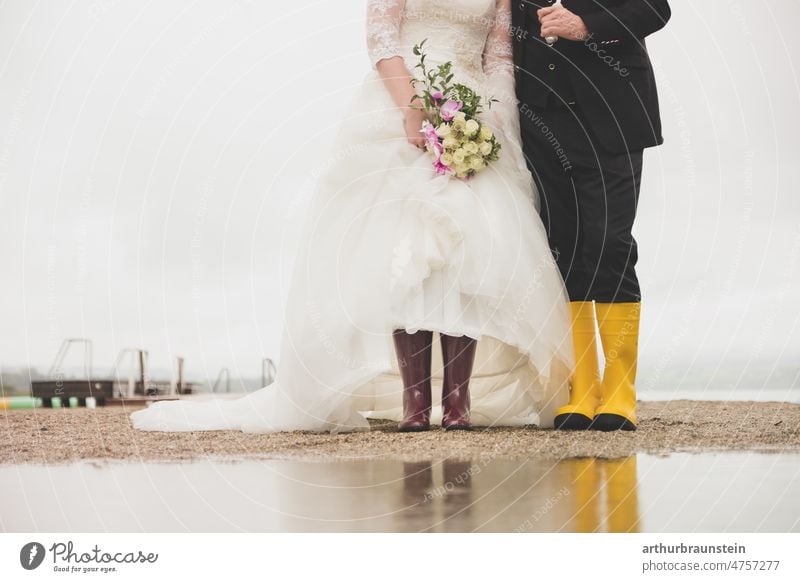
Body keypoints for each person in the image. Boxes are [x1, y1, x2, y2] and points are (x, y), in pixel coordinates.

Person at [131, 0, 573, 434]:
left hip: (471, 111)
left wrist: (493, 123)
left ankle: (458, 401)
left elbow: (497, 58)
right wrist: (412, 108)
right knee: (406, 246)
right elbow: (382, 39)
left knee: (468, 249)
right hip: (404, 104)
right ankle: (414, 399)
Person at [511, 0, 671, 430]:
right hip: (539, 119)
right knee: (563, 249)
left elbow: (656, 9)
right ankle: (581, 389)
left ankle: (619, 393)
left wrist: (585, 26)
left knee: (608, 242)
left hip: (612, 114)